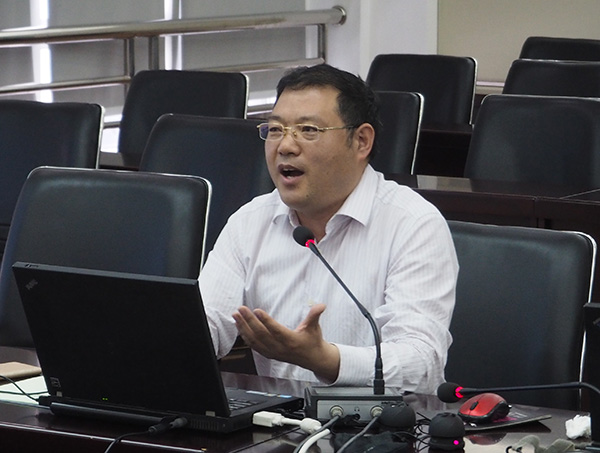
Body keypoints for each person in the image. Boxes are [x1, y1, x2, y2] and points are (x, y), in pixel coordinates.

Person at [199, 64, 458, 394]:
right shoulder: (250, 221)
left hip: (384, 421)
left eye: (308, 130)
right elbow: (207, 323)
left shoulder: (413, 224)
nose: (285, 146)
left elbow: (421, 365)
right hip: (278, 418)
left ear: (361, 141)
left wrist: (326, 359)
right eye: (275, 130)